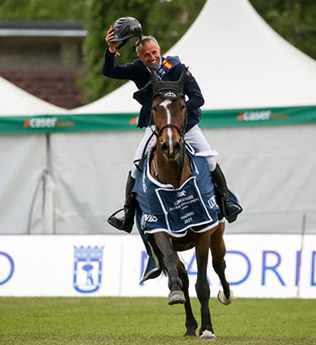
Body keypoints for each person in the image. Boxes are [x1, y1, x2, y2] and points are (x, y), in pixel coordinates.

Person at [103, 18, 241, 232]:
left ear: (160, 50)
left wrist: (177, 113)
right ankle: (127, 213)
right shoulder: (138, 69)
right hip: (156, 127)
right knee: (135, 165)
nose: (152, 58)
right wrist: (111, 49)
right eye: (146, 55)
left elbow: (198, 98)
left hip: (186, 126)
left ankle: (226, 200)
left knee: (210, 160)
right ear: (139, 57)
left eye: (154, 53)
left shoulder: (177, 68)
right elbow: (109, 72)